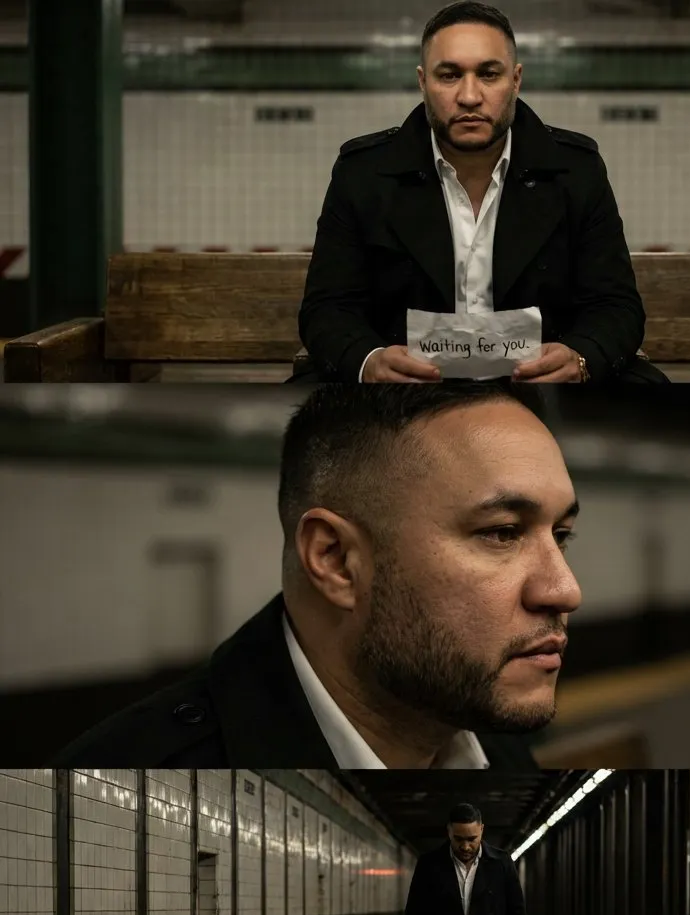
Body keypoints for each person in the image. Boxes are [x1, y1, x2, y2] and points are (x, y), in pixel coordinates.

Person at [47, 381, 582, 772]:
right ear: (335, 560)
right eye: (502, 532)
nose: (564, 590)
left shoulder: (502, 748)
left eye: (560, 535)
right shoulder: (122, 777)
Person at [296, 1, 645, 389]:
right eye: (449, 75)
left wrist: (581, 357)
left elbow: (616, 306)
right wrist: (368, 359)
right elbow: (328, 308)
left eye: (488, 74)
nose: (469, 95)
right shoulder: (364, 174)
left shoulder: (575, 171)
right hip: (405, 396)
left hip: (540, 392)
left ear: (515, 80)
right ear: (422, 81)